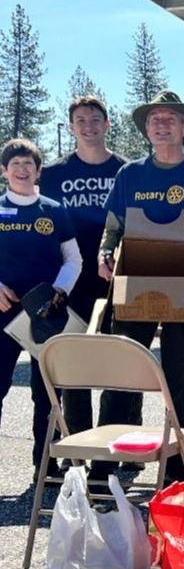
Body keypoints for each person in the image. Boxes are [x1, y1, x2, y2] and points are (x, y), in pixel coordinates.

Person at [97, 91, 184, 484]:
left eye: (170, 118)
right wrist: (105, 253)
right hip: (134, 283)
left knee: (180, 379)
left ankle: (177, 470)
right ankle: (106, 465)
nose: (162, 124)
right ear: (147, 129)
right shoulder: (130, 176)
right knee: (123, 375)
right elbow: (112, 228)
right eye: (155, 119)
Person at [39, 95, 125, 437]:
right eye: (80, 121)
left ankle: (119, 441)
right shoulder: (54, 174)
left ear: (106, 124)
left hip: (117, 278)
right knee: (75, 363)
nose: (88, 127)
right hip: (71, 280)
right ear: (72, 128)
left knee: (120, 361)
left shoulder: (125, 170)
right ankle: (77, 442)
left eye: (94, 120)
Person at [0, 138, 82, 483]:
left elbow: (73, 259)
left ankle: (45, 465)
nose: (22, 169)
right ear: (4, 171)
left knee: (46, 393)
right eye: (14, 163)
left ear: (38, 170)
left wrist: (60, 291)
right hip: (3, 314)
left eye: (28, 164)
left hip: (46, 315)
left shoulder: (54, 209)